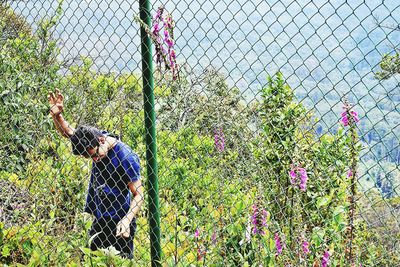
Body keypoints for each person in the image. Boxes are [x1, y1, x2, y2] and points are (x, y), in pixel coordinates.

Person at [48, 89, 144, 259]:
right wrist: (57, 116)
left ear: (101, 140)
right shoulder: (93, 141)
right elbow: (70, 133)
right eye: (90, 157)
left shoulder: (125, 157)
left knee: (120, 261)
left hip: (121, 220)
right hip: (100, 218)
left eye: (94, 154)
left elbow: (139, 194)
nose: (95, 159)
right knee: (91, 260)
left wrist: (127, 220)